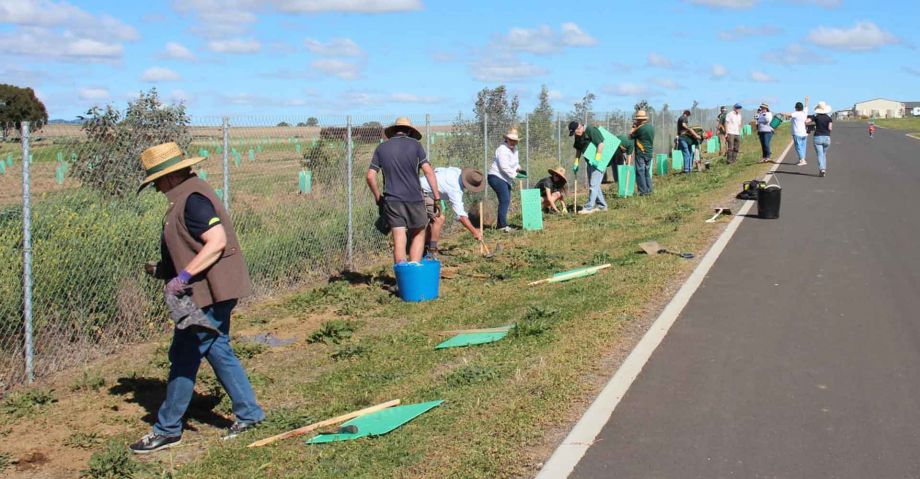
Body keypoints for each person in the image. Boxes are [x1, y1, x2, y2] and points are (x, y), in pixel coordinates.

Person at [131, 142, 264, 453]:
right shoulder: (188, 195)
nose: (156, 189)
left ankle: (167, 429)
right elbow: (191, 241)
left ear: (170, 176)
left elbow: (216, 242)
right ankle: (250, 413)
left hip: (210, 293)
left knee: (185, 354)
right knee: (218, 348)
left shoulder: (192, 199)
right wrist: (166, 268)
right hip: (207, 291)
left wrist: (182, 277)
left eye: (157, 182)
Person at [366, 117, 440, 263]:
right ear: (409, 131)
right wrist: (436, 196)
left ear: (393, 131)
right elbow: (428, 171)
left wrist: (377, 197)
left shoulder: (381, 148)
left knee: (399, 238)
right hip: (415, 199)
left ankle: (401, 279)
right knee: (419, 233)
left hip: (392, 200)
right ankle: (413, 273)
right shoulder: (416, 146)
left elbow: (370, 176)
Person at [419, 167, 485, 255]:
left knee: (434, 219)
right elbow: (461, 215)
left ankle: (426, 246)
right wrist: (474, 231)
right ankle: (431, 250)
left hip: (425, 190)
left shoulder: (456, 171)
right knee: (439, 219)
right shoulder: (455, 189)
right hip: (420, 191)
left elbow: (436, 169)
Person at [568, 121, 607, 214]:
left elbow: (601, 144)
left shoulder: (591, 130)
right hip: (589, 162)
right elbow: (578, 149)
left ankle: (588, 208)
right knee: (594, 184)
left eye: (575, 132)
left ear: (579, 127)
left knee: (593, 185)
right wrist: (576, 162)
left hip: (599, 161)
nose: (575, 135)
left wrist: (597, 159)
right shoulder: (577, 135)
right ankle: (602, 206)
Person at [487, 128, 522, 231]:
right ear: (507, 139)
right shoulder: (502, 150)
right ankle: (502, 226)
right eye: (511, 140)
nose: (513, 142)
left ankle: (500, 224)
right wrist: (516, 175)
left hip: (505, 178)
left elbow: (515, 164)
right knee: (505, 200)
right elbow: (504, 167)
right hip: (496, 177)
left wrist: (519, 169)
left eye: (515, 141)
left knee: (505, 200)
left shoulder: (515, 150)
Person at [629, 110, 655, 195]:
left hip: (641, 153)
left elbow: (630, 136)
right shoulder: (651, 127)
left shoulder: (639, 128)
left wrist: (633, 127)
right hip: (649, 152)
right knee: (647, 172)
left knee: (640, 172)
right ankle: (649, 190)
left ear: (639, 119)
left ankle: (643, 192)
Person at [812, 101, 833, 177]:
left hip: (818, 137)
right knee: (824, 154)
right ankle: (823, 169)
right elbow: (830, 128)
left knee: (820, 154)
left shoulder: (816, 117)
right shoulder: (829, 118)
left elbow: (807, 121)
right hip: (826, 137)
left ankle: (822, 169)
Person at [787, 97, 809, 166]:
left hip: (797, 133)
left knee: (798, 147)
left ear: (796, 108)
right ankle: (801, 159)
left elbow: (789, 115)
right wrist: (806, 100)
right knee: (803, 147)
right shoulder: (804, 112)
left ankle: (802, 160)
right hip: (804, 133)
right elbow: (806, 106)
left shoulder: (796, 113)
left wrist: (781, 113)